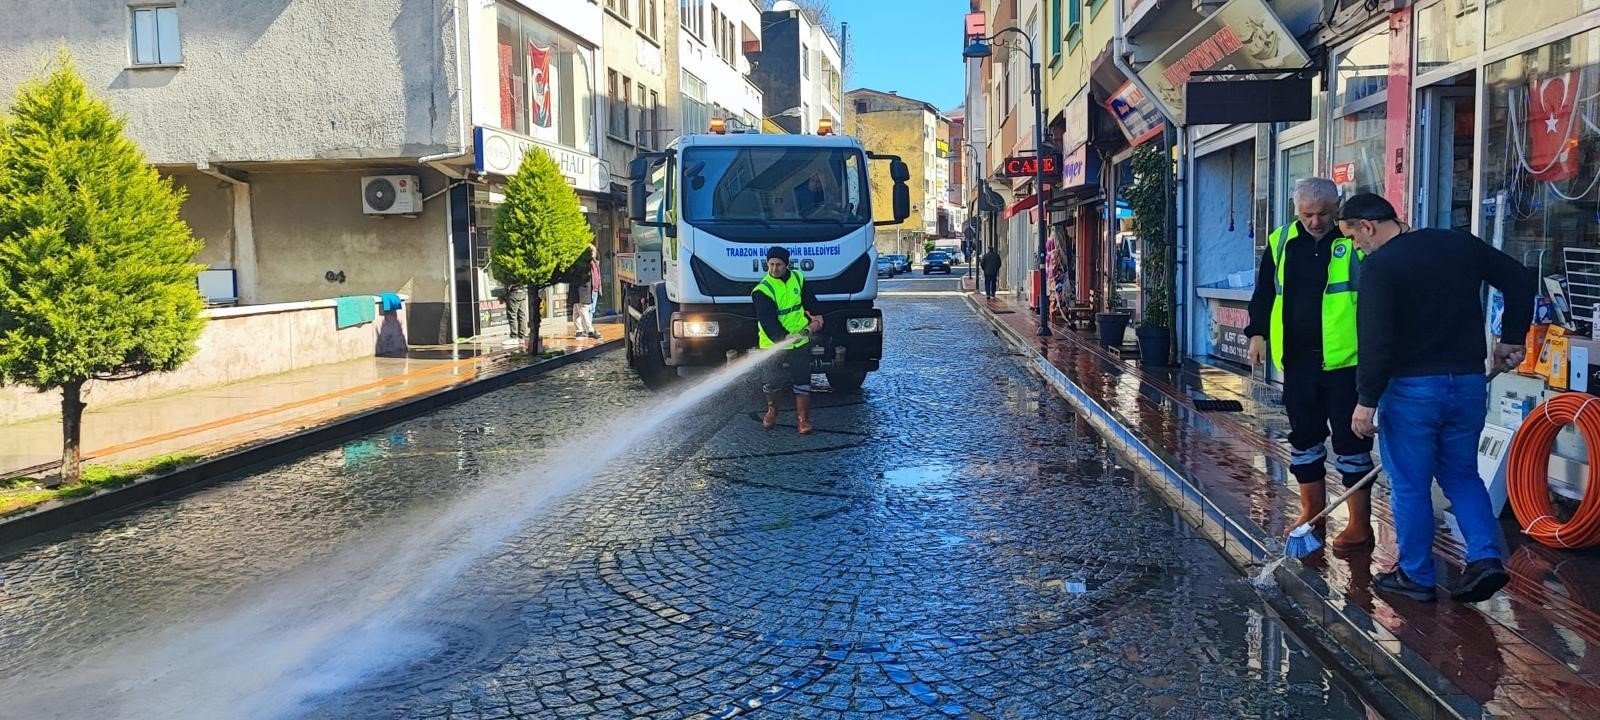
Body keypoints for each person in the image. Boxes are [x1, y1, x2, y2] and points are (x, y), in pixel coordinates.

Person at [1341, 192, 1535, 604]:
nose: (1357, 247)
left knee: (1410, 484)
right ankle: (1485, 558)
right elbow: (1520, 278)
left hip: (1411, 390)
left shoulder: (1380, 266)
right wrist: (1512, 338)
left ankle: (1416, 576)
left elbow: (1376, 341)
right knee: (1462, 474)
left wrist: (1365, 400)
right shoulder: (1456, 243)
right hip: (1466, 384)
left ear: (1368, 226)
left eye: (1355, 238)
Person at [1245, 177, 1376, 551]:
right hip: (1299, 361)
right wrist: (1256, 333)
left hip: (1346, 362)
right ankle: (1312, 514)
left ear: (1337, 207)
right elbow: (1266, 290)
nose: (1316, 221)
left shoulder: (1353, 240)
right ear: (1295, 210)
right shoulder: (1281, 240)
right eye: (1307, 215)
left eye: (1323, 214)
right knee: (1304, 439)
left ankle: (1359, 524)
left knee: (1352, 442)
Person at [752, 246, 823, 435]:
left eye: (779, 264)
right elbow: (767, 321)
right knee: (772, 382)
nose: (774, 269)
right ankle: (772, 410)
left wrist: (817, 316)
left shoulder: (798, 278)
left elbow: (810, 301)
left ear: (787, 265)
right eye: (771, 264)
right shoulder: (762, 290)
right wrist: (783, 337)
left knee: (802, 380)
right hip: (773, 343)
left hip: (799, 340)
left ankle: (803, 420)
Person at [569, 245, 601, 340]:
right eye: (593, 252)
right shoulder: (583, 263)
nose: (594, 254)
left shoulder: (592, 262)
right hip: (582, 290)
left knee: (577, 311)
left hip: (585, 289)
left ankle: (579, 330)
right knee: (583, 309)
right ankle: (589, 330)